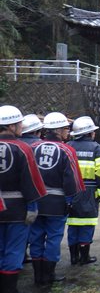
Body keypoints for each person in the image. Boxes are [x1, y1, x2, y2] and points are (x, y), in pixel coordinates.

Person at [30, 112, 85, 286]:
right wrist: (71, 201)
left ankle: (38, 276)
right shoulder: (67, 150)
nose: (68, 132)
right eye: (66, 129)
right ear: (59, 130)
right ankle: (49, 275)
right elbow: (72, 180)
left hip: (35, 201)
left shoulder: (32, 148)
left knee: (36, 236)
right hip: (57, 202)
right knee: (54, 237)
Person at [0, 105, 47, 293]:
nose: (22, 127)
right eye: (19, 123)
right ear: (11, 125)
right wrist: (33, 205)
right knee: (14, 248)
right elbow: (31, 180)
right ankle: (9, 292)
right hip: (16, 207)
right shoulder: (22, 148)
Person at [67, 116, 100, 263]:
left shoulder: (68, 146)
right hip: (89, 190)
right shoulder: (97, 149)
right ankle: (84, 257)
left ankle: (73, 257)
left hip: (70, 190)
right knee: (87, 223)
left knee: (72, 223)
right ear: (90, 133)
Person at [18, 113, 43, 265]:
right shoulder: (42, 145)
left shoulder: (14, 144)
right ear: (37, 131)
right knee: (34, 227)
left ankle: (21, 256)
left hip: (12, 197)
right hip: (37, 194)